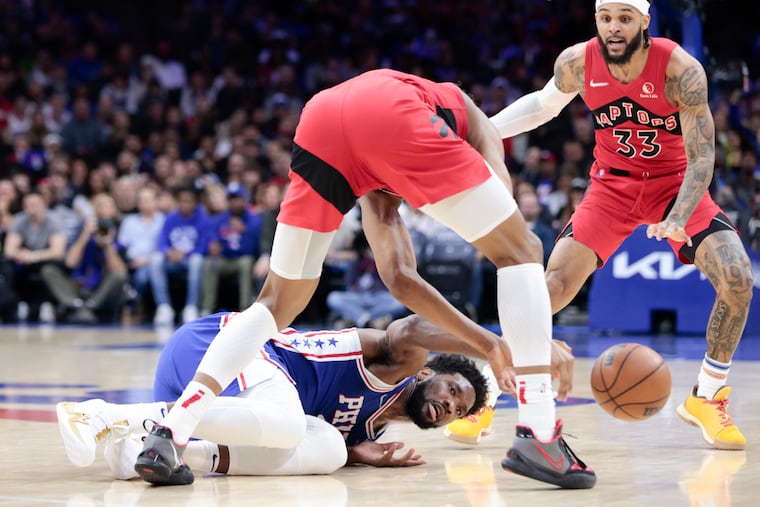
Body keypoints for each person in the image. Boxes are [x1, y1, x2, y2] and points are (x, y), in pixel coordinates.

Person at [135, 68, 593, 489]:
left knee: (276, 303)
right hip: (389, 112)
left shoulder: (382, 189)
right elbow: (504, 220)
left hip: (322, 118)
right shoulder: (471, 121)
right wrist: (508, 341)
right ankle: (538, 426)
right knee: (523, 250)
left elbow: (399, 278)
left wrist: (494, 343)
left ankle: (171, 431)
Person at [457, 0, 753, 454]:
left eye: (624, 18)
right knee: (547, 287)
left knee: (737, 278)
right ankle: (487, 390)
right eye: (605, 17)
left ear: (644, 21)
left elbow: (703, 155)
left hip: (675, 185)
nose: (614, 27)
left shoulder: (680, 69)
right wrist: (485, 133)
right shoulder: (578, 61)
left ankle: (708, 396)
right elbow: (542, 106)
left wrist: (678, 216)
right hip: (611, 189)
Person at [56, 312, 500, 480]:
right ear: (428, 371)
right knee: (289, 426)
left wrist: (355, 455)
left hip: (214, 396)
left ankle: (148, 448)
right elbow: (410, 328)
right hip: (224, 347)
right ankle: (106, 416)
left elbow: (301, 440)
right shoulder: (399, 363)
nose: (450, 407)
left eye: (458, 411)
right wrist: (491, 345)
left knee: (328, 452)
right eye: (453, 390)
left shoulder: (371, 428)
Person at [42, 193, 128, 324]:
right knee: (48, 270)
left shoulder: (120, 231)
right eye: (101, 207)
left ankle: (90, 306)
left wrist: (108, 245)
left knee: (119, 276)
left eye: (109, 207)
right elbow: (70, 263)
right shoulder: (83, 229)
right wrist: (85, 235)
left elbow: (120, 271)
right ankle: (75, 304)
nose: (105, 211)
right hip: (80, 285)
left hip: (103, 290)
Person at [150, 185, 210, 326]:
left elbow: (203, 246)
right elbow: (162, 241)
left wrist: (184, 253)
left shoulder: (203, 219)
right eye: (182, 201)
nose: (185, 204)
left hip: (189, 260)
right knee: (155, 260)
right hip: (172, 260)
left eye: (189, 201)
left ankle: (191, 307)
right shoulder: (171, 218)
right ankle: (164, 307)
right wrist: (169, 252)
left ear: (195, 203)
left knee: (197, 261)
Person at [200, 182, 262, 314]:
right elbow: (211, 242)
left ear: (244, 200)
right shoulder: (220, 219)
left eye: (238, 199)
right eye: (232, 200)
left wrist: (244, 232)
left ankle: (245, 308)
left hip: (242, 260)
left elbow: (253, 250)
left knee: (246, 262)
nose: (235, 203)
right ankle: (206, 308)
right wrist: (214, 247)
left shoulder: (253, 220)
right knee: (208, 263)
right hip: (225, 259)